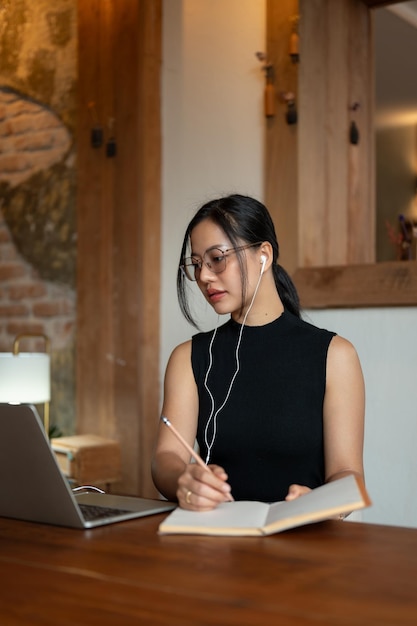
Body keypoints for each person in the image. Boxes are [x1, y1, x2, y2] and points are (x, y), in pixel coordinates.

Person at [151, 194, 365, 511]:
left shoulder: (335, 355)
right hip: (216, 543)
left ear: (263, 254)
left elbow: (349, 474)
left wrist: (322, 502)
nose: (204, 276)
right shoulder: (188, 358)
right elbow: (165, 459)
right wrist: (186, 480)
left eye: (217, 258)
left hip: (306, 541)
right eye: (196, 264)